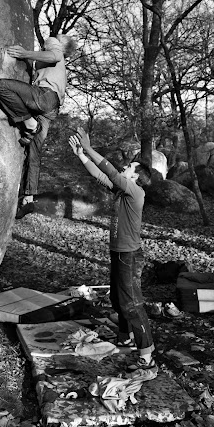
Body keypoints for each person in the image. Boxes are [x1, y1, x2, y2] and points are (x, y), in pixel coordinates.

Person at [69, 128, 156, 373]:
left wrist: (89, 148)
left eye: (129, 167)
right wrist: (81, 156)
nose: (124, 168)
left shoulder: (135, 191)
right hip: (118, 252)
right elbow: (100, 175)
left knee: (132, 304)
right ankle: (125, 336)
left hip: (129, 255)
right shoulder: (122, 190)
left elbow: (108, 169)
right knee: (118, 300)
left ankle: (147, 354)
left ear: (136, 177)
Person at [0, 35, 76, 219]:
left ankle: (29, 123)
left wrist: (25, 53)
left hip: (45, 97)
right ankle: (28, 199)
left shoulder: (56, 51)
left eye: (59, 38)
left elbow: (54, 55)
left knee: (1, 86)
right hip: (50, 108)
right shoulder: (53, 67)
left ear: (62, 46)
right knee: (34, 154)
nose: (55, 37)